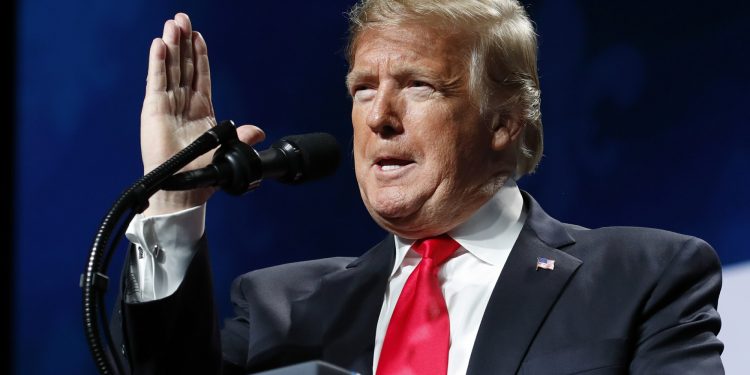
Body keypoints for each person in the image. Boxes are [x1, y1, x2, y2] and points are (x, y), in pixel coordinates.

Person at [113, 1, 725, 374]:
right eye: (361, 89)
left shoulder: (640, 276)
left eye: (420, 85)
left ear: (504, 123)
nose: (379, 115)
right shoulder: (280, 307)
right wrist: (174, 197)